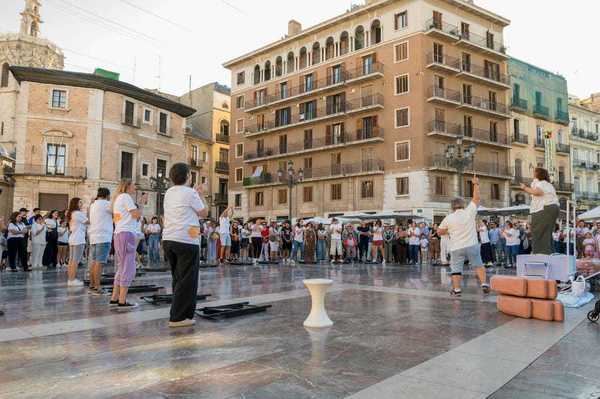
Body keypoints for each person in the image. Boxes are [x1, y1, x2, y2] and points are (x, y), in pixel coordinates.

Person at [162, 163, 208, 327]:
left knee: (178, 278)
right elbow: (204, 212)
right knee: (188, 279)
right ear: (188, 176)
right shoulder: (190, 193)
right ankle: (178, 317)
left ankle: (183, 313)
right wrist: (201, 195)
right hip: (186, 240)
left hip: (169, 238)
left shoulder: (168, 192)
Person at [437, 175, 490, 297]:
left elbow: (439, 232)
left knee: (456, 270)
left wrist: (449, 231)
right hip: (472, 244)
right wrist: (475, 184)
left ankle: (457, 290)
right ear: (463, 204)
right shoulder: (469, 211)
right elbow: (476, 198)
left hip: (456, 247)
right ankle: (484, 284)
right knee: (478, 265)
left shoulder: (448, 218)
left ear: (452, 207)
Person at [111, 181, 144, 310]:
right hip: (126, 234)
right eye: (133, 185)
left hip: (119, 234)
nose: (135, 187)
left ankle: (115, 297)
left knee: (122, 266)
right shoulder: (125, 197)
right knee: (128, 268)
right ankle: (122, 300)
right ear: (127, 187)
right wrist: (140, 204)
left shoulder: (118, 199)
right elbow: (136, 215)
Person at [520, 167, 560, 255]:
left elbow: (538, 192)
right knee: (546, 232)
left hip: (543, 208)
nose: (533, 173)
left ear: (538, 174)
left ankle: (540, 253)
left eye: (534, 172)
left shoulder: (541, 183)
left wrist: (525, 188)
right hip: (552, 208)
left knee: (538, 231)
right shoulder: (548, 184)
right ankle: (548, 252)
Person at [88, 188, 113, 294]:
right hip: (103, 235)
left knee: (94, 262)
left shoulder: (93, 205)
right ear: (107, 195)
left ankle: (92, 284)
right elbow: (116, 214)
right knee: (99, 262)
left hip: (93, 236)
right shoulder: (107, 204)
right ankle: (97, 286)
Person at [67, 198, 88, 286]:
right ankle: (72, 280)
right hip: (78, 239)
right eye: (80, 202)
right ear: (75, 203)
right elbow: (88, 221)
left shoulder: (71, 213)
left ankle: (70, 279)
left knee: (72, 260)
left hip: (73, 238)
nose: (81, 204)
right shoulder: (78, 213)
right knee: (75, 260)